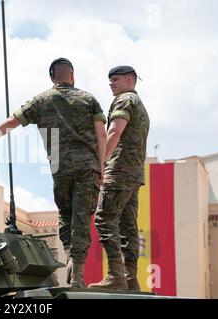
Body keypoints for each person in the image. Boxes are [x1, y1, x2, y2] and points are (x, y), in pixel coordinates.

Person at [0, 58, 107, 288]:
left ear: (52, 77)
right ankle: (78, 274)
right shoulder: (88, 99)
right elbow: (102, 135)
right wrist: (102, 167)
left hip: (61, 169)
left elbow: (12, 121)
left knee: (66, 217)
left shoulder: (42, 100)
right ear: (72, 76)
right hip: (88, 168)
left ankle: (71, 259)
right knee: (82, 218)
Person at [89, 66, 150, 291]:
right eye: (110, 80)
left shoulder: (124, 100)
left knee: (104, 219)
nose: (111, 83)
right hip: (134, 174)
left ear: (129, 80)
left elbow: (114, 131)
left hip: (119, 170)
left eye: (115, 79)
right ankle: (130, 279)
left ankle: (116, 276)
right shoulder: (140, 105)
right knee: (128, 226)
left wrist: (101, 163)